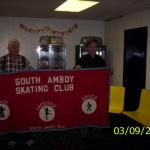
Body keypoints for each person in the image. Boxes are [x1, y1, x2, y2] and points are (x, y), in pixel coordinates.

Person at [0, 38, 34, 148]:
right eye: (14, 46)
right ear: (8, 48)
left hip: (21, 95)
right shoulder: (2, 61)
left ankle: (27, 137)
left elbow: (32, 72)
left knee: (24, 116)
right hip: (7, 95)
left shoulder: (24, 60)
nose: (16, 48)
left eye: (17, 46)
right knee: (10, 116)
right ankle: (12, 139)